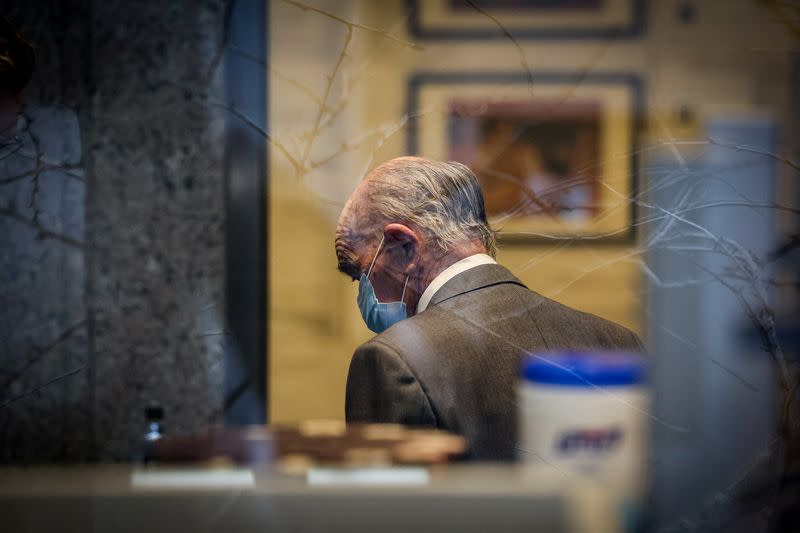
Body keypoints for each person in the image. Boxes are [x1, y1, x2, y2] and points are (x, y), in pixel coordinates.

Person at [335, 156, 644, 460]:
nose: (362, 290)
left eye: (359, 272)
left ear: (404, 246)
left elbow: (387, 508)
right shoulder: (619, 344)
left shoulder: (392, 360)